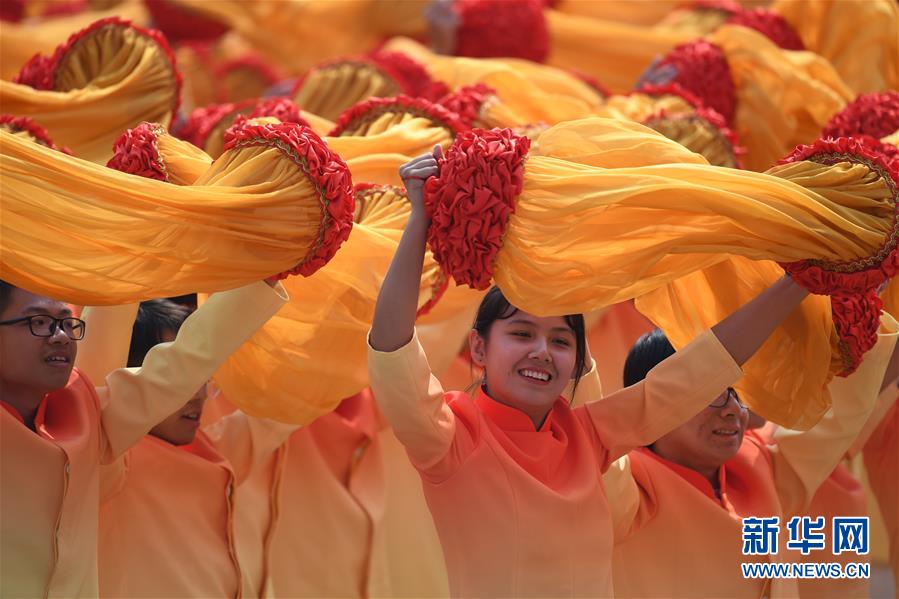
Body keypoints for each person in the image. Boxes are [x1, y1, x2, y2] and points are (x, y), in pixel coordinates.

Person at [367, 148, 809, 597]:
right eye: (522, 334)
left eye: (561, 341)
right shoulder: (450, 437)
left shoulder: (590, 435)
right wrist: (419, 220)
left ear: (579, 363)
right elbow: (392, 348)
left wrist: (801, 280)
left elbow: (703, 368)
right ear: (479, 346)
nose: (542, 352)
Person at [0, 277, 287, 597]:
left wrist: (261, 281)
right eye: (39, 322)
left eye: (67, 323)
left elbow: (181, 366)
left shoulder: (82, 416)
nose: (61, 336)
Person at [606, 327, 899, 598]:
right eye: (711, 393)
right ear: (649, 402)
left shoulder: (757, 464)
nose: (732, 410)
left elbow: (842, 412)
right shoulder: (626, 486)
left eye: (737, 393)